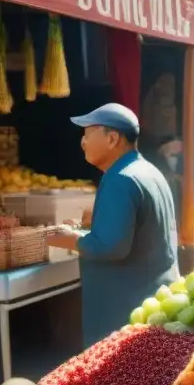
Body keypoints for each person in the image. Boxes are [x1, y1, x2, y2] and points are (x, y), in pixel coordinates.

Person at [47, 104, 179, 347]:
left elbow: (110, 248)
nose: (82, 142)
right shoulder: (148, 171)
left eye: (87, 134)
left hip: (126, 311)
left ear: (112, 138)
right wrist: (94, 224)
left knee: (118, 381)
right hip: (154, 299)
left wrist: (68, 238)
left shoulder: (120, 179)